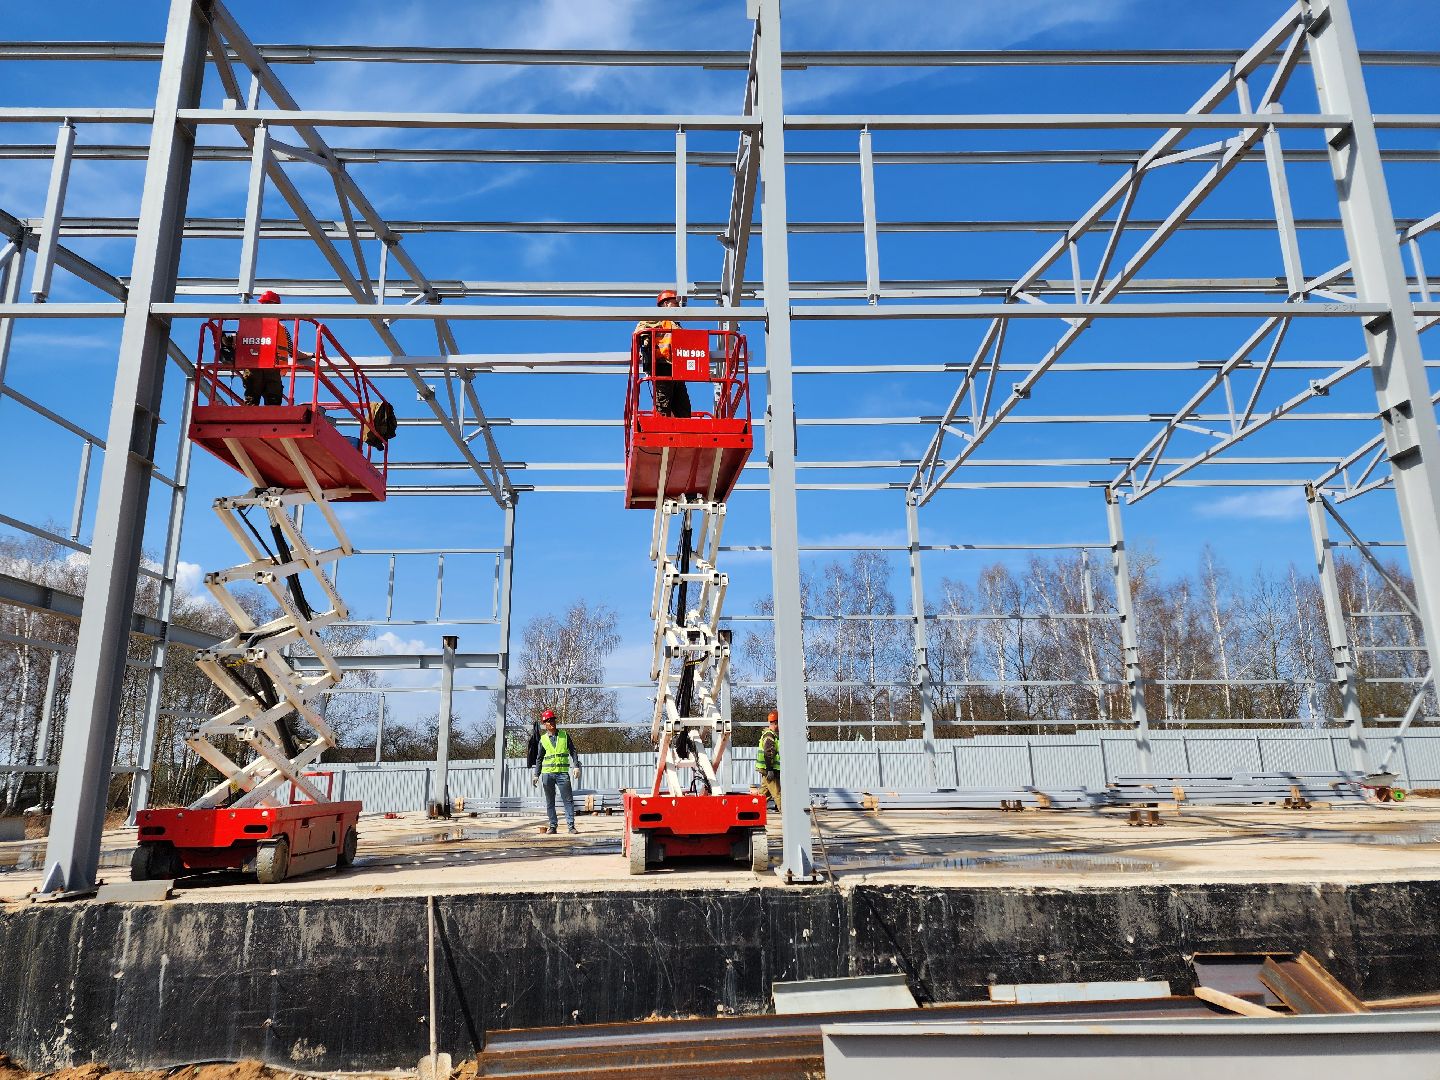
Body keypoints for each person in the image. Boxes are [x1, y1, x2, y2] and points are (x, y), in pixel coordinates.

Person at [634, 289, 692, 419]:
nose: (678, 306)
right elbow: (639, 329)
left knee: (684, 408)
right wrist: (645, 339)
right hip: (662, 365)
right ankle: (662, 426)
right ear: (666, 304)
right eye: (675, 303)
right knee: (663, 402)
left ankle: (684, 431)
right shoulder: (657, 317)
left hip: (677, 368)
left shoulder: (676, 324)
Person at [530, 710, 582, 834]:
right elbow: (539, 758)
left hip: (562, 773)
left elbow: (572, 751)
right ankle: (553, 826)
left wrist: (576, 766)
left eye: (553, 720)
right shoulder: (543, 739)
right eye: (549, 721)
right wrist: (536, 774)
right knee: (550, 802)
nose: (552, 722)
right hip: (547, 774)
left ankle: (571, 826)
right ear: (545, 724)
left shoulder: (564, 735)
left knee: (568, 800)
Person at [755, 710, 781, 811]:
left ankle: (752, 812)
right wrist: (770, 769)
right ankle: (790, 820)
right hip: (769, 770)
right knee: (778, 795)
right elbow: (768, 753)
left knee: (763, 795)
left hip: (768, 769)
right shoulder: (770, 735)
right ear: (776, 722)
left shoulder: (769, 735)